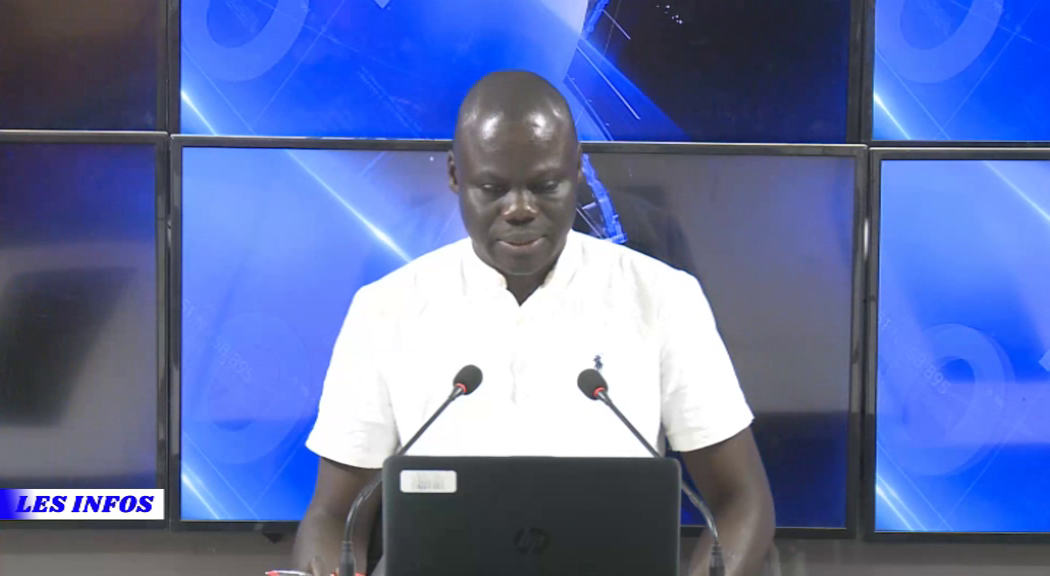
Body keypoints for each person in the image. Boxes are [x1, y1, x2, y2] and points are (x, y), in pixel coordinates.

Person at [292, 70, 775, 576]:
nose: (520, 209)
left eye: (545, 186)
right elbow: (334, 517)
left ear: (578, 169)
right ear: (455, 175)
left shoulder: (663, 298)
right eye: (492, 188)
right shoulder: (385, 308)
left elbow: (741, 500)